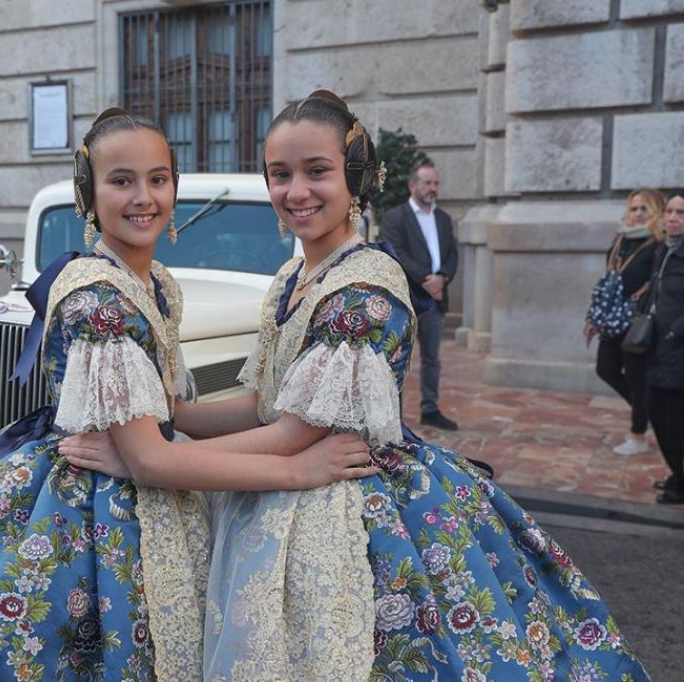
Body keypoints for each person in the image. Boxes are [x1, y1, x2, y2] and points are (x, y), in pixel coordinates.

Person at [66, 91, 649, 680]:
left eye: (317, 170)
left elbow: (293, 438)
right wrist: (171, 419)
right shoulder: (294, 277)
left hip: (338, 498)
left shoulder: (364, 290)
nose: (297, 191)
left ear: (357, 176)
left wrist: (159, 459)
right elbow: (267, 406)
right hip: (283, 481)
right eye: (280, 174)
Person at [0, 109, 372, 682]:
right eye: (120, 181)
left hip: (138, 474)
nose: (142, 197)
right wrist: (278, 467)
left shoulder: (152, 282)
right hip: (94, 505)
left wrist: (167, 427)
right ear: (88, 195)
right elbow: (151, 459)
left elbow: (160, 429)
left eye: (157, 179)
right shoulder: (99, 301)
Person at [380, 163, 460, 430]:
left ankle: (430, 409)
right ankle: (395, 418)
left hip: (435, 301)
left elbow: (452, 255)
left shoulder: (444, 219)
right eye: (427, 183)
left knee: (432, 359)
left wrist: (442, 278)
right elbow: (396, 252)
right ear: (412, 185)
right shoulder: (395, 217)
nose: (432, 188)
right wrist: (426, 279)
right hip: (406, 300)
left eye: (435, 183)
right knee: (397, 359)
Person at [585, 189, 663, 455]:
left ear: (655, 212)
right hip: (612, 319)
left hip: (637, 320)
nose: (638, 214)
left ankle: (638, 435)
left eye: (644, 209)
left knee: (637, 378)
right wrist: (593, 317)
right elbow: (606, 284)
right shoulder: (620, 240)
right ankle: (649, 413)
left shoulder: (658, 244)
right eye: (634, 208)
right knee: (605, 369)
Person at [647, 190, 684, 504]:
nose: (673, 217)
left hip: (678, 348)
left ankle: (680, 482)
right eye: (669, 211)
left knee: (673, 418)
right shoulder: (664, 250)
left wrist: (675, 332)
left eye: (681, 213)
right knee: (657, 412)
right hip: (658, 344)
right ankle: (677, 473)